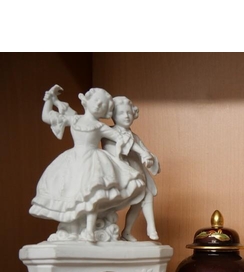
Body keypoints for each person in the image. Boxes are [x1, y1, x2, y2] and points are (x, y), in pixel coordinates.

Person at [30, 85, 146, 242]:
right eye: (97, 100)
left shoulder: (100, 126)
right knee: (71, 191)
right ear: (86, 101)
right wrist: (49, 100)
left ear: (106, 111)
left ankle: (90, 230)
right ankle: (72, 225)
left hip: (94, 162)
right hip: (74, 162)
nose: (99, 105)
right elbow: (47, 116)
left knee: (94, 194)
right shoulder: (75, 119)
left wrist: (141, 152)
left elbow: (122, 137)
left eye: (103, 104)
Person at [102, 96, 160, 241]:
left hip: (136, 174)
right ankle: (146, 228)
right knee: (142, 195)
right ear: (113, 115)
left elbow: (146, 153)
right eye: (121, 113)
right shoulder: (108, 133)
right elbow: (112, 154)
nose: (126, 116)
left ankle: (129, 231)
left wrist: (148, 159)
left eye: (128, 112)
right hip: (119, 177)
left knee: (144, 196)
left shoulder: (135, 137)